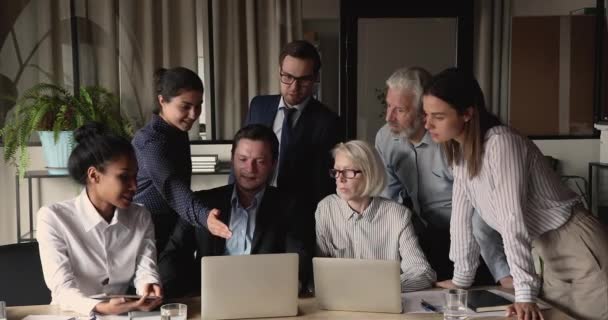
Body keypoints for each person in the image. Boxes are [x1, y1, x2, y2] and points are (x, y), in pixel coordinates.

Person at [425, 67, 608, 320]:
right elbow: (461, 219)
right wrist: (461, 280)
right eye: (426, 115)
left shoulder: (501, 144)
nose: (428, 124)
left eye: (438, 116)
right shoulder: (461, 156)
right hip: (547, 255)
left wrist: (524, 293)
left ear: (467, 113)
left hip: (579, 247)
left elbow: (513, 220)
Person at [375, 67, 511, 286]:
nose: (388, 117)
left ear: (424, 111)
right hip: (425, 235)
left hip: (473, 239)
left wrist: (503, 274)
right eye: (388, 105)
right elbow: (391, 200)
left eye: (400, 110)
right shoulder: (385, 138)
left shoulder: (453, 140)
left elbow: (479, 214)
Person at [158, 124, 306, 298]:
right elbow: (172, 253)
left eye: (260, 161)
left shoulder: (289, 206)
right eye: (243, 159)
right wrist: (170, 291)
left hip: (263, 297)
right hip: (209, 296)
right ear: (232, 158)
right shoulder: (202, 203)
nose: (250, 169)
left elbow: (298, 260)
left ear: (273, 163)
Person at [37, 122, 162, 315]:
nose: (135, 186)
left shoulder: (140, 216)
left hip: (123, 315)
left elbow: (146, 268)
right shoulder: (53, 218)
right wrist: (99, 308)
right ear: (94, 175)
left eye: (135, 177)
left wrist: (149, 285)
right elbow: (62, 289)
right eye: (124, 177)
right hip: (72, 315)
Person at [243, 40, 341, 286]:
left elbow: (324, 183)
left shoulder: (329, 122)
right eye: (287, 77)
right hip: (254, 208)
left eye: (304, 79)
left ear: (316, 78)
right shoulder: (259, 105)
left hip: (298, 217)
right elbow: (243, 152)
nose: (294, 87)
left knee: (289, 284)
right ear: (279, 71)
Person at [316, 140, 436, 292]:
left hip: (384, 305)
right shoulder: (325, 209)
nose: (340, 179)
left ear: (369, 173)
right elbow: (319, 273)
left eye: (348, 172)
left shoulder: (397, 215)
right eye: (336, 171)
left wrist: (378, 288)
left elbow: (423, 273)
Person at [132, 67, 218, 252]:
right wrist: (204, 216)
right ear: (162, 101)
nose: (194, 114)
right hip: (146, 233)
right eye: (185, 106)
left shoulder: (177, 131)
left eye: (198, 105)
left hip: (173, 227)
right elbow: (172, 186)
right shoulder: (150, 140)